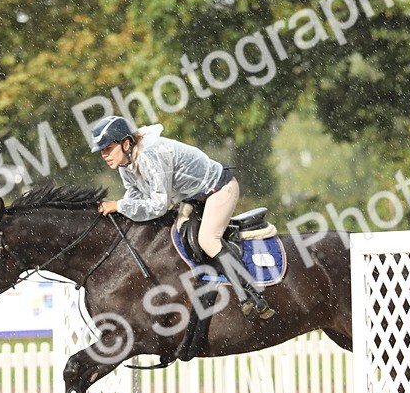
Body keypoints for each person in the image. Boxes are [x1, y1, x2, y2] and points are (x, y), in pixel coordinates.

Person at [91, 116, 275, 319]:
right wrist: (119, 208)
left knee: (207, 239)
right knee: (174, 238)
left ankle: (251, 294)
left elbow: (158, 205)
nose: (104, 155)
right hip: (193, 198)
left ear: (126, 143)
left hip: (219, 188)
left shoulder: (151, 154)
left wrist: (118, 205)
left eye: (108, 148)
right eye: (102, 151)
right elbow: (134, 197)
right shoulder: (126, 165)